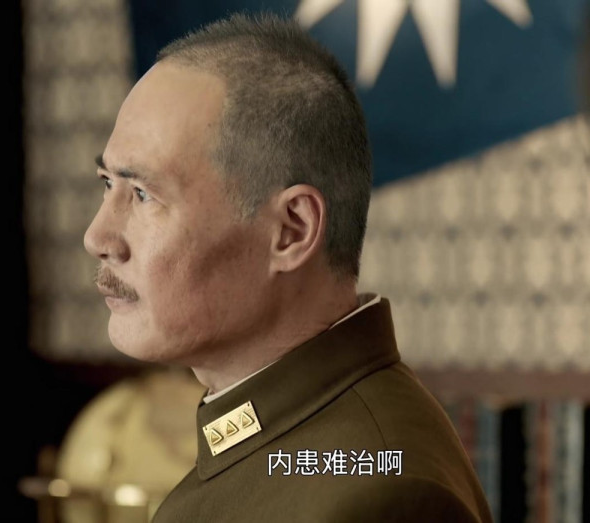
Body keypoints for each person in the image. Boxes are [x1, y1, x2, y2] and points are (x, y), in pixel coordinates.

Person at [84, 12, 492, 523]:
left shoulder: (383, 495)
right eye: (108, 184)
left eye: (144, 194)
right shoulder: (280, 442)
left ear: (291, 231)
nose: (97, 237)